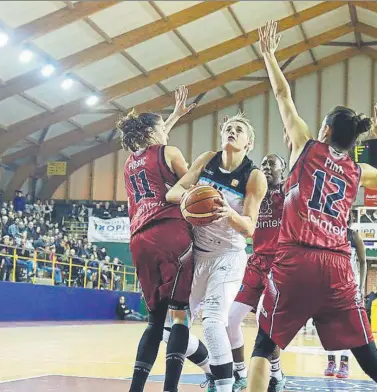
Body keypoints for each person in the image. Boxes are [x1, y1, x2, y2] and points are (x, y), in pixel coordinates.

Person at [248, 21, 377, 392]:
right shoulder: (359, 169)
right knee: (370, 357)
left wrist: (269, 55)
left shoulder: (305, 146)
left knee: (264, 344)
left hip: (296, 259)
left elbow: (282, 94)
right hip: (338, 265)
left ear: (324, 130)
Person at [167, 113, 268, 392]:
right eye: (228, 128)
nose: (231, 132)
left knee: (213, 323)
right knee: (170, 332)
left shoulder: (254, 176)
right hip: (197, 255)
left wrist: (227, 212)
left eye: (238, 130)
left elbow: (249, 227)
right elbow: (174, 192)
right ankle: (214, 371)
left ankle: (224, 385)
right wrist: (191, 197)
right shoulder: (207, 160)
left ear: (249, 143)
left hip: (228, 255)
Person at [120, 86, 212, 392]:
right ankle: (170, 389)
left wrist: (173, 115)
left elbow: (151, 145)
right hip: (169, 233)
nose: (167, 133)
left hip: (138, 239)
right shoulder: (170, 153)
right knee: (180, 319)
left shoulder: (129, 162)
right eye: (164, 128)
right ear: (152, 131)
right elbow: (190, 187)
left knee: (154, 322)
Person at [226, 153, 286, 392]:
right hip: (255, 262)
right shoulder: (252, 194)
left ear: (283, 168)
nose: (266, 167)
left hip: (280, 265)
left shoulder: (289, 193)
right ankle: (239, 373)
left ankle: (276, 374)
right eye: (263, 164)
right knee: (230, 320)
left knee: (266, 321)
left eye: (272, 163)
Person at [324, 216, 367, 379]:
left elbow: (363, 262)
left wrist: (361, 287)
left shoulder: (353, 236)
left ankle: (344, 363)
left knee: (346, 326)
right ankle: (330, 361)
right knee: (328, 326)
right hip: (328, 286)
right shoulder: (326, 233)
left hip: (349, 286)